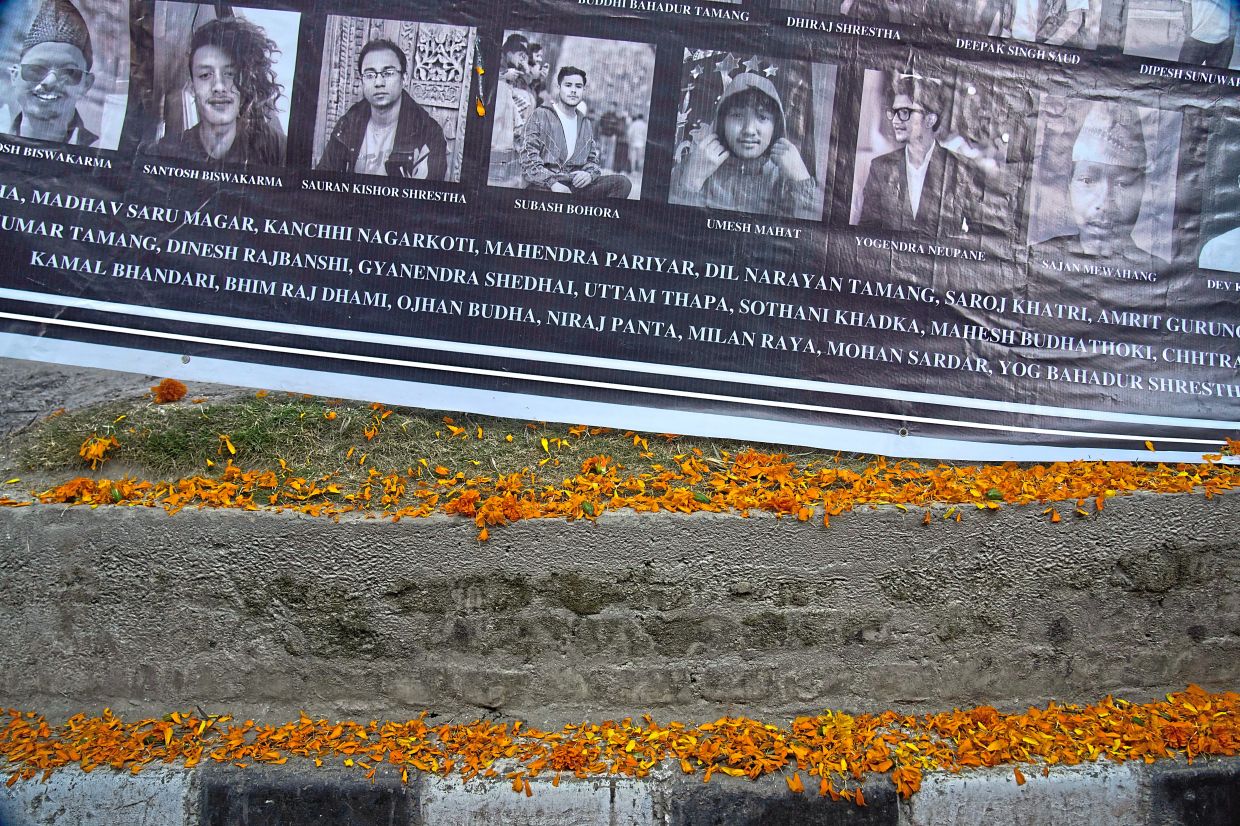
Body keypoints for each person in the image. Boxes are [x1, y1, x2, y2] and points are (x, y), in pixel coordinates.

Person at [670, 73, 815, 219]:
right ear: (722, 122)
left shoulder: (788, 176)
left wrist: (801, 183)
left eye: (762, 117)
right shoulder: (690, 166)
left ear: (775, 127)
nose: (749, 130)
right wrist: (690, 182)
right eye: (737, 115)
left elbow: (810, 234)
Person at [1038, 102, 1164, 265]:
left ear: (1144, 189)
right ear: (1070, 183)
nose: (1104, 204)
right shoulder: (1041, 259)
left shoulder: (1161, 274)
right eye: (1087, 180)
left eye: (1123, 183)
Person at [151, 16, 285, 165]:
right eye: (205, 75)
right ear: (192, 87)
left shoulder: (274, 148)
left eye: (229, 74)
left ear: (245, 81)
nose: (219, 87)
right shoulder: (166, 152)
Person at [857, 74, 973, 236]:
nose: (895, 121)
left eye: (904, 112)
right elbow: (866, 231)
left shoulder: (960, 170)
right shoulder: (880, 167)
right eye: (894, 112)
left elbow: (977, 237)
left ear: (930, 120)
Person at [316, 38, 446, 179]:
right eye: (370, 75)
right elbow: (323, 183)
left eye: (388, 73)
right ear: (362, 81)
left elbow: (427, 195)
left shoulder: (428, 133)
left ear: (404, 78)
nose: (378, 82)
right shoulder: (347, 125)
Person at [519, 66, 630, 197]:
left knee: (622, 183)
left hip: (575, 186)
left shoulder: (585, 123)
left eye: (578, 86)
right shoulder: (540, 115)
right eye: (568, 85)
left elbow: (592, 160)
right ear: (559, 87)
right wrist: (552, 182)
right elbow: (528, 157)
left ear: (583, 90)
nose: (573, 90)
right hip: (545, 186)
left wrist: (589, 174)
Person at [3, 0, 98, 146]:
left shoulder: (100, 148)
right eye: (36, 69)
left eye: (69, 72)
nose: (50, 81)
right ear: (15, 76)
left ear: (86, 84)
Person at [490, 33, 532, 185]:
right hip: (484, 103)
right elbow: (481, 75)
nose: (522, 59)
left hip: (505, 110)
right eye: (520, 54)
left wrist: (526, 70)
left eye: (524, 55)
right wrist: (503, 76)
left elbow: (526, 86)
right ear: (509, 51)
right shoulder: (495, 57)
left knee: (527, 98)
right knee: (503, 90)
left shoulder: (512, 65)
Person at [1179, 0, 1236, 68]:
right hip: (1195, 38)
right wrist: (1189, 33)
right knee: (1182, 75)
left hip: (1224, 41)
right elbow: (1186, 5)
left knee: (1217, 78)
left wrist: (1232, 34)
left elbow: (1235, 7)